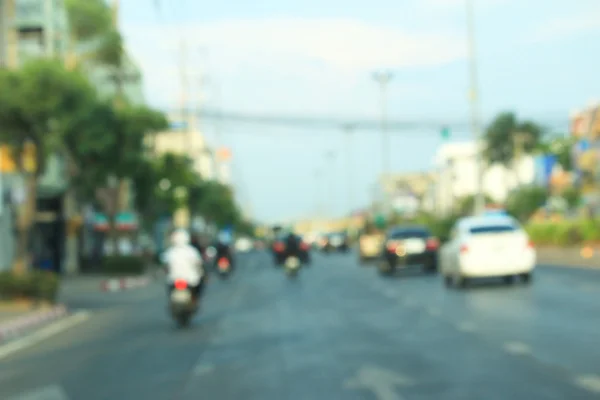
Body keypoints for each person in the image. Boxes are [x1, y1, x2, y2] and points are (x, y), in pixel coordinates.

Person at [163, 229, 206, 306]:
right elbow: (199, 264)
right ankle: (194, 301)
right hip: (190, 279)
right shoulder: (192, 251)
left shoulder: (170, 251)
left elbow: (165, 266)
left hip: (175, 279)